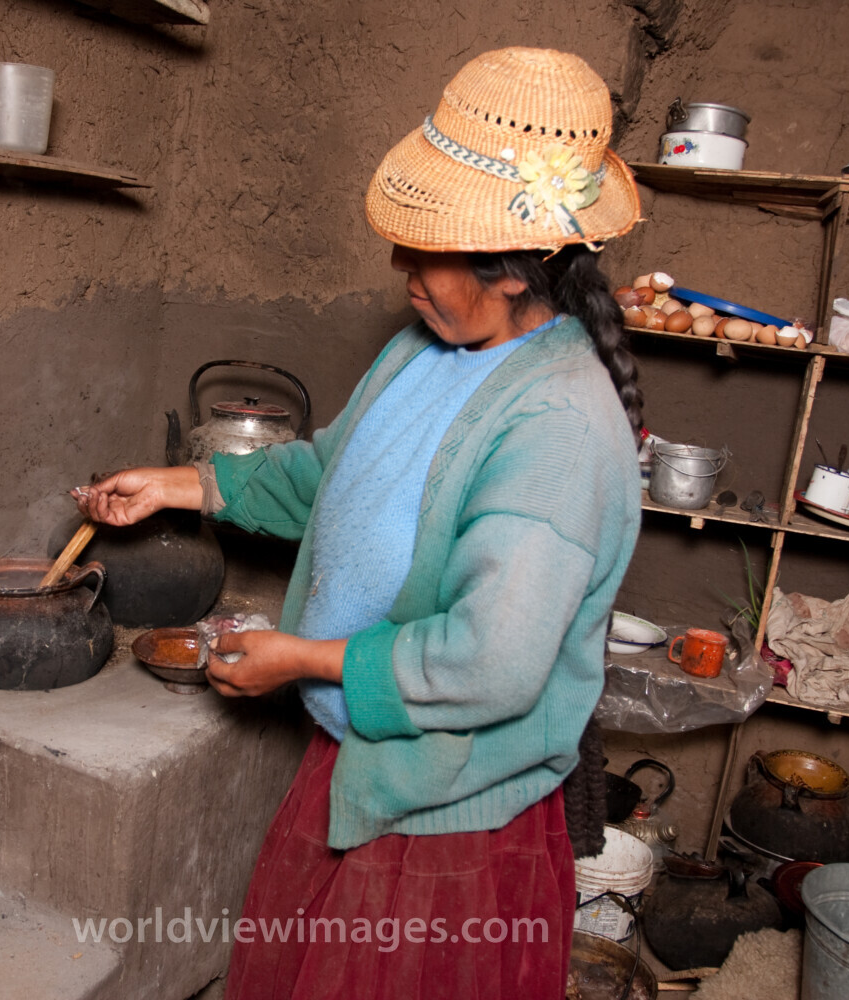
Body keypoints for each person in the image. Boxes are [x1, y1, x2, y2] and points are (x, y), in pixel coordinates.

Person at [74, 47, 643, 999]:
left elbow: (491, 660)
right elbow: (331, 478)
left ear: (515, 271)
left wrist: (298, 658)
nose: (402, 269)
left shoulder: (557, 424)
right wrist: (181, 484)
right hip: (361, 764)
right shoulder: (422, 350)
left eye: (429, 250)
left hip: (446, 808)